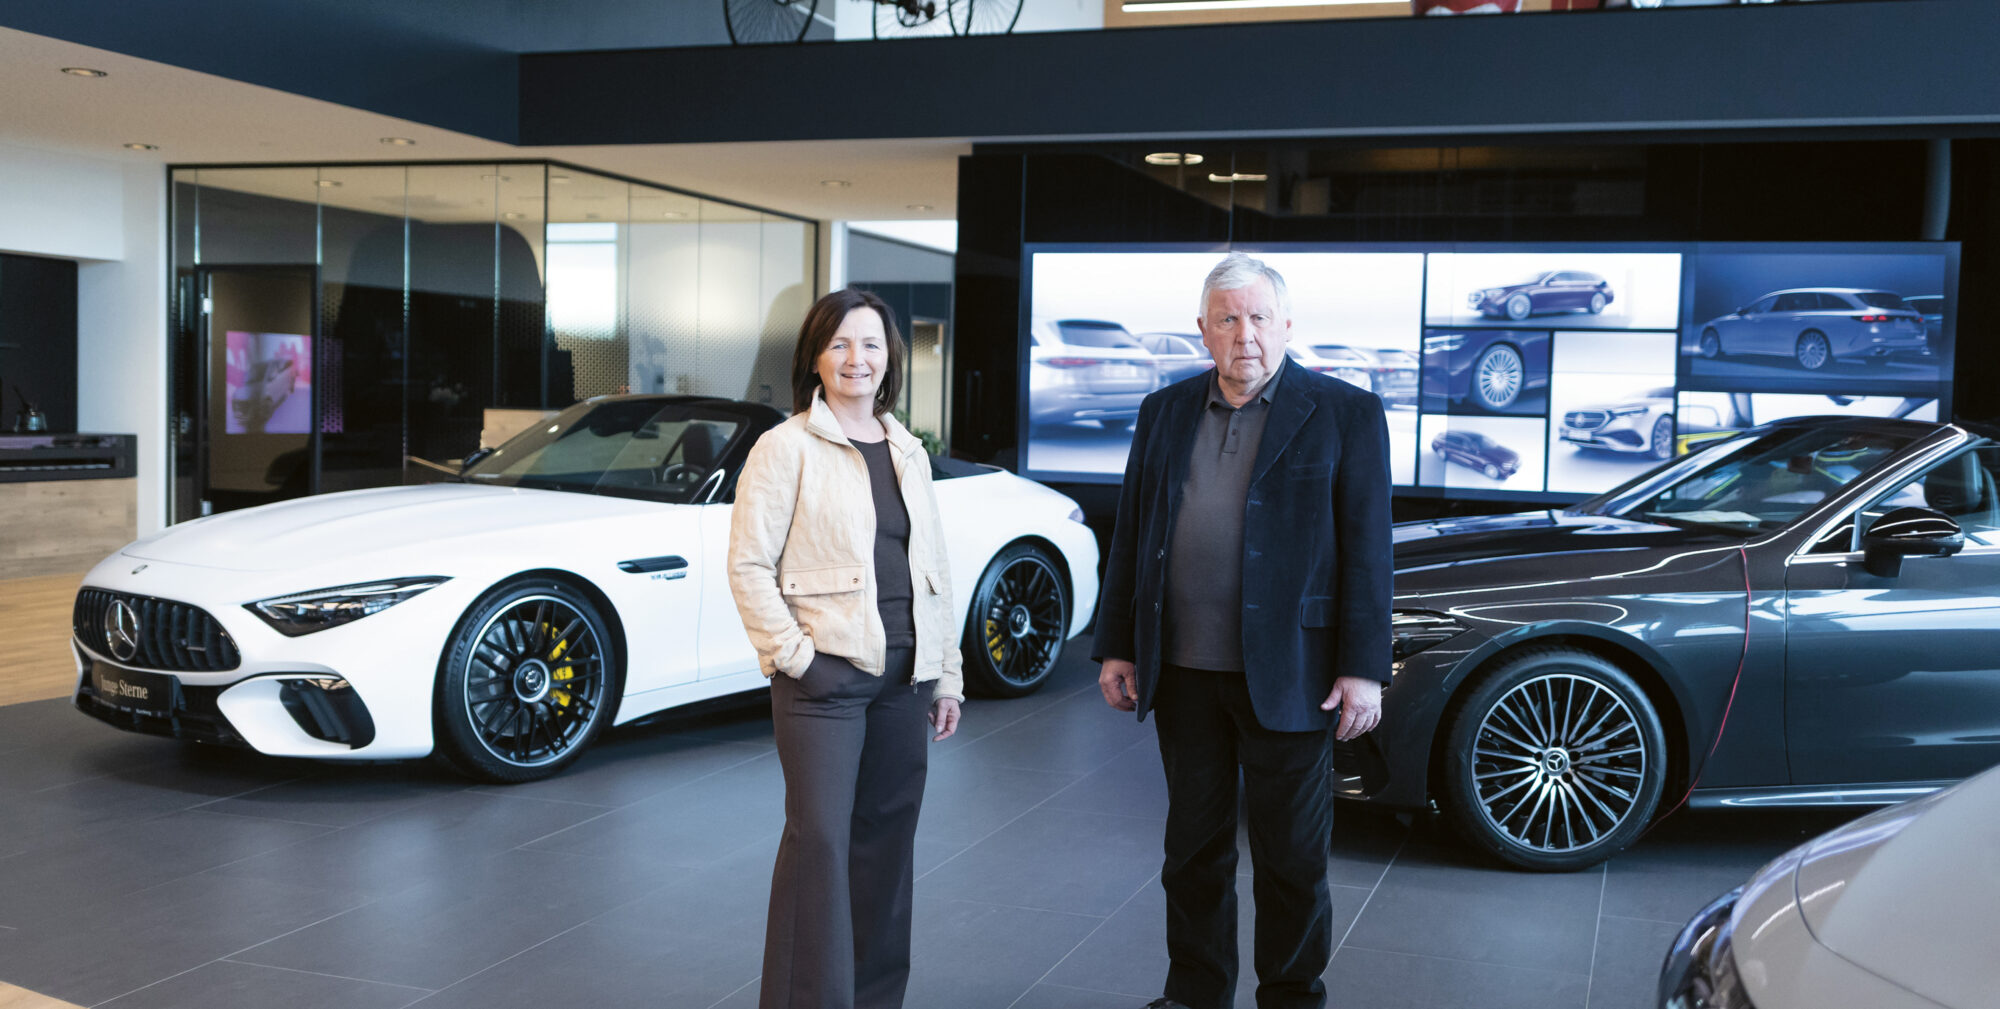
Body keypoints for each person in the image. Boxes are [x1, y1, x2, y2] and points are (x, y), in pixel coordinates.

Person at [1093, 253, 1394, 1009]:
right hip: (1185, 671)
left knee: (1292, 857)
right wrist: (1119, 641)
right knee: (1192, 851)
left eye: (1259, 317)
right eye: (1227, 319)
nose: (1245, 334)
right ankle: (1194, 993)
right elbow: (1134, 531)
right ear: (1203, 331)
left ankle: (1291, 995)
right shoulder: (1164, 412)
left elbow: (1367, 548)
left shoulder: (1346, 412)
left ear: (1286, 325)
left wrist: (1364, 666)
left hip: (1294, 673)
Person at [727, 288, 965, 1009]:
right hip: (823, 681)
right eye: (839, 344)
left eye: (869, 343)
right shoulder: (786, 446)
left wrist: (946, 674)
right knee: (821, 844)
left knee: (887, 846)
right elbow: (747, 566)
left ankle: (874, 998)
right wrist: (797, 658)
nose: (856, 358)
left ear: (889, 355)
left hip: (905, 680)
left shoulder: (907, 448)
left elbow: (935, 569)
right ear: (816, 358)